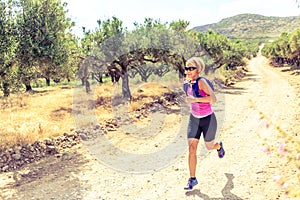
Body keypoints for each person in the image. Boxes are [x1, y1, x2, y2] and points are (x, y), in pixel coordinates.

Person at [183, 57, 225, 190]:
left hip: (208, 119)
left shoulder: (202, 82)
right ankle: (192, 179)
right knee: (192, 149)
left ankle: (218, 147)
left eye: (191, 68)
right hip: (194, 119)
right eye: (187, 68)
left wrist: (195, 99)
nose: (188, 70)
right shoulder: (187, 82)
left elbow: (213, 99)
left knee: (209, 146)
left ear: (198, 69)